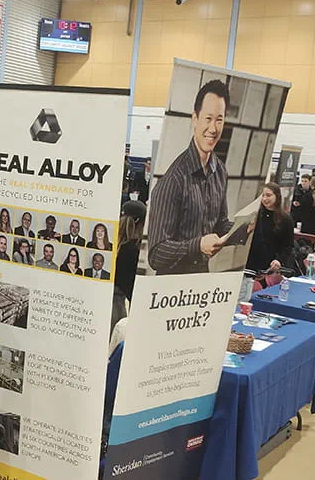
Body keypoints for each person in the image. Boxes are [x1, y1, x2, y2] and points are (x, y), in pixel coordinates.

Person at [148, 80, 233, 274]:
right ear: (195, 119)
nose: (213, 128)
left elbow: (220, 224)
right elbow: (156, 254)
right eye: (208, 118)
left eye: (219, 120)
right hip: (171, 286)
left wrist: (243, 227)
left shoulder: (220, 171)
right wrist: (197, 246)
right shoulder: (174, 180)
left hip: (201, 279)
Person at [246, 183, 295, 274]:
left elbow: (288, 246)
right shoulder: (255, 215)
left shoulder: (285, 219)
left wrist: (279, 260)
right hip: (250, 265)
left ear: (277, 196)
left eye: (268, 195)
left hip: (271, 267)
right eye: (263, 196)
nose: (265, 199)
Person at [113, 200, 146, 331]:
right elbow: (130, 286)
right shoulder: (132, 250)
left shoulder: (113, 243)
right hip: (119, 302)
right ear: (139, 222)